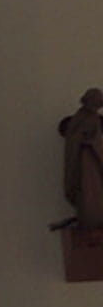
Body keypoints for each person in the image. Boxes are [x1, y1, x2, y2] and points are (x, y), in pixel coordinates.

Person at [62, 87, 103, 228]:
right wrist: (86, 140)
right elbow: (74, 138)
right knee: (88, 188)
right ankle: (91, 216)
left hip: (95, 158)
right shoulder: (81, 117)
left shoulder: (95, 118)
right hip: (86, 159)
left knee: (96, 189)